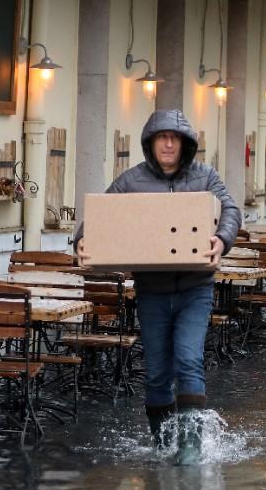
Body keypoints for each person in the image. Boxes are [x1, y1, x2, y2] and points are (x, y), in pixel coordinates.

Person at [75, 109, 241, 465]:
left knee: (188, 360)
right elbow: (99, 217)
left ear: (185, 143)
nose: (168, 143)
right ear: (150, 142)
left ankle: (191, 448)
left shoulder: (205, 176)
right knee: (156, 372)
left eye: (175, 137)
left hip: (195, 287)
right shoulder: (131, 180)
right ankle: (162, 444)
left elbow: (230, 210)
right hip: (151, 288)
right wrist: (81, 240)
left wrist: (222, 239)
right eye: (161, 137)